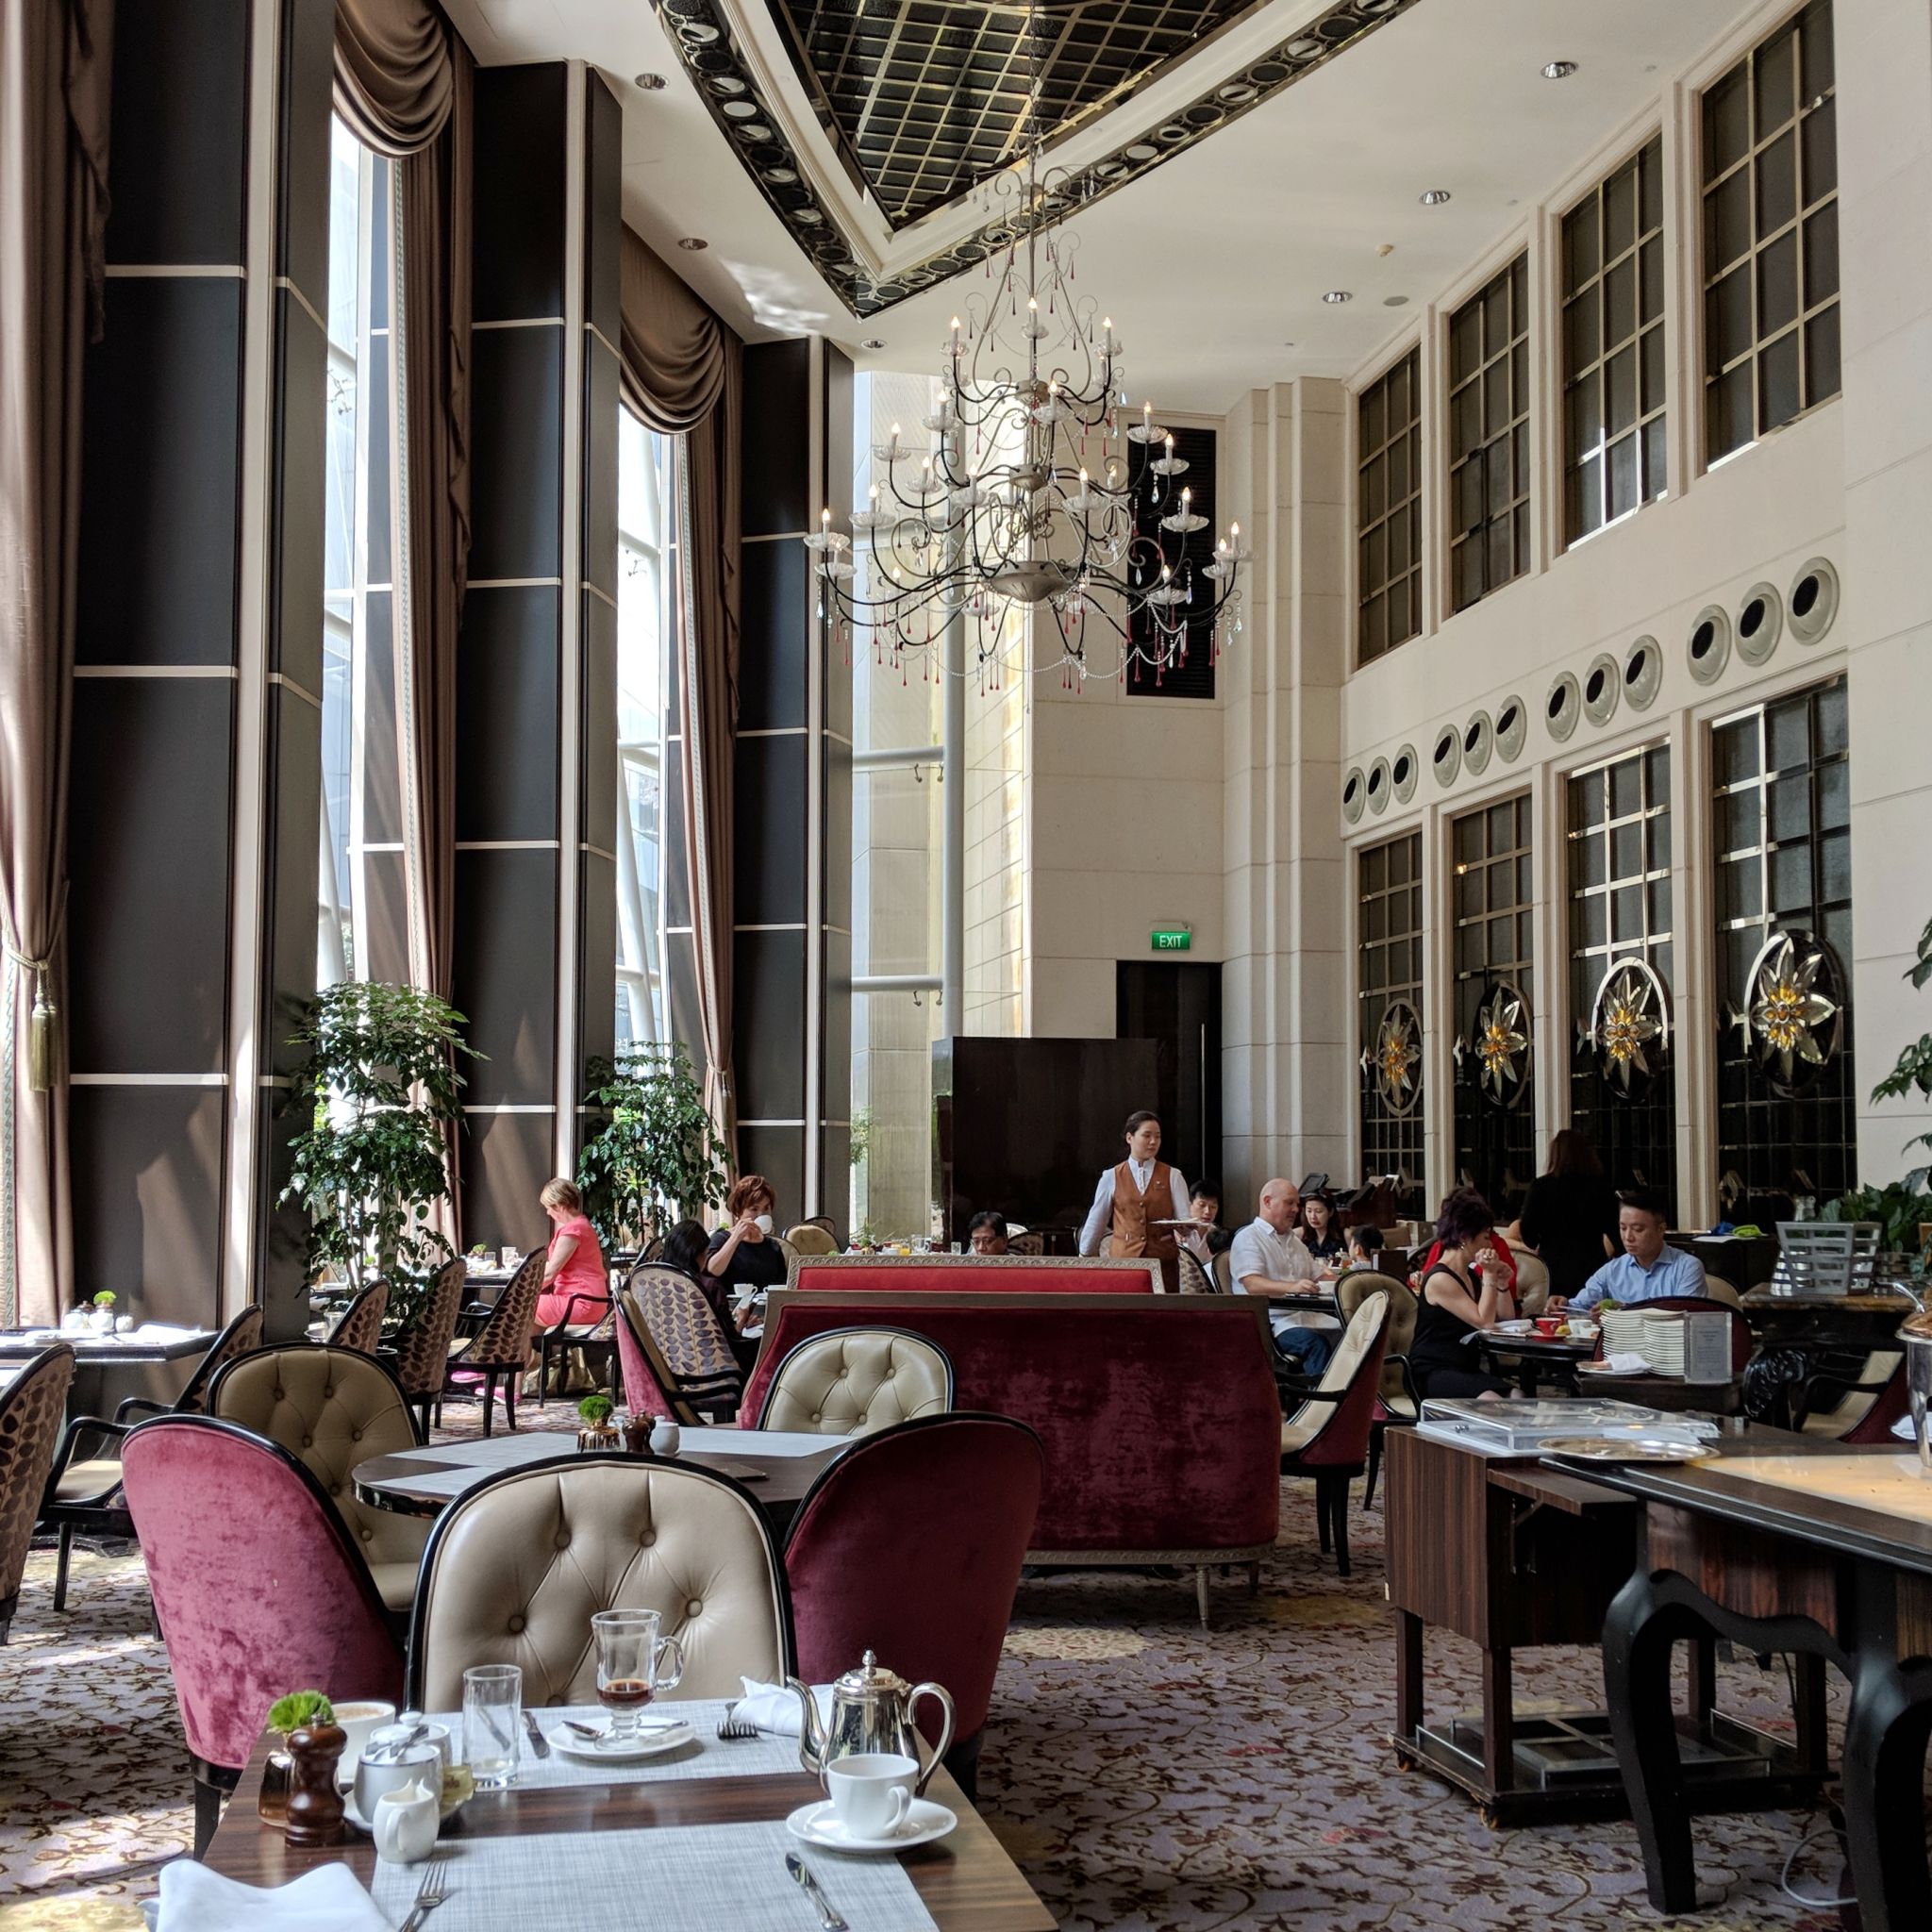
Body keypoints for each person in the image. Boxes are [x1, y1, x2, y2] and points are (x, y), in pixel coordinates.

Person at [1407, 1188, 1517, 1401]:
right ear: (1465, 1237)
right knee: (1493, 1403)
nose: (1490, 1244)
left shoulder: (1470, 1275)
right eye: (1486, 1237)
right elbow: (1484, 1322)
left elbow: (1506, 1317)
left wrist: (1502, 1283)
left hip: (1465, 1368)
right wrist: (1489, 1274)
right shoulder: (1440, 1279)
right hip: (1434, 1370)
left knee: (1518, 1396)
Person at [1229, 1178, 1337, 1375]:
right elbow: (1252, 1284)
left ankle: (1353, 1394)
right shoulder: (1248, 1238)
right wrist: (1292, 1287)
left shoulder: (1294, 1241)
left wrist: (1352, 1283)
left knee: (1355, 1334)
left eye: (1297, 1204)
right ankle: (1318, 1396)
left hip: (1304, 1316)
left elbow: (1320, 1276)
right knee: (1316, 1344)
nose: (1296, 1209)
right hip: (1270, 1324)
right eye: (1289, 1203)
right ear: (1268, 1202)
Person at [1077, 1110, 1191, 1291]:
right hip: (1124, 1263)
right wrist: (1085, 1254)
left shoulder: (1173, 1176)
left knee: (1163, 1307)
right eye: (1147, 1136)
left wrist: (1186, 1228)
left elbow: (1184, 1218)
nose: (1153, 1142)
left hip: (1163, 1263)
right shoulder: (1111, 1176)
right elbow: (1097, 1219)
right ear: (1130, 1138)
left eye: (1158, 1137)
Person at [1553, 1186, 1706, 1313]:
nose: (1628, 1237)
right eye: (1623, 1228)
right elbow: (1580, 1307)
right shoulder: (1613, 1269)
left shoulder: (1687, 1267)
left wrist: (1626, 1311)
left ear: (1660, 1229)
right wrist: (1563, 1305)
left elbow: (1686, 1317)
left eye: (1638, 1229)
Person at [1517, 1129, 1621, 1301]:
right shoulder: (1601, 1188)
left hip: (1552, 1267)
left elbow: (1528, 1234)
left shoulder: (1541, 1187)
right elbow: (1617, 1235)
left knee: (1555, 1311)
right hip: (1592, 1264)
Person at [704, 1174, 786, 1371]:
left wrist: (765, 1318)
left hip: (764, 1322)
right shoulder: (722, 1239)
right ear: (739, 1211)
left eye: (766, 1209)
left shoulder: (773, 1247)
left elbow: (782, 1289)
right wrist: (736, 1237)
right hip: (731, 1323)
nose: (761, 1215)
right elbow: (713, 1269)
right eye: (754, 1209)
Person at [534, 1178, 608, 1330]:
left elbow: (549, 1275)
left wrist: (520, 1291)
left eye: (548, 1207)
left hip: (580, 1302)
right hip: (594, 1301)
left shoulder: (572, 1231)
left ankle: (517, 1347)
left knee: (518, 1307)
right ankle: (535, 1346)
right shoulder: (583, 1225)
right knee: (526, 1308)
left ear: (559, 1206)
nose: (548, 1212)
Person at [1179, 1180, 1224, 1270]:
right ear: (1189, 1204)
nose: (1208, 1212)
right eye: (1202, 1205)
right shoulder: (1179, 1232)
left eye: (1213, 1207)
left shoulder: (1217, 1234)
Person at [1299, 1191, 1346, 1268]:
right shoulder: (1299, 1234)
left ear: (1330, 1212)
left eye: (1318, 1211)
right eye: (1309, 1211)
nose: (1313, 1216)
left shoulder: (1345, 1235)